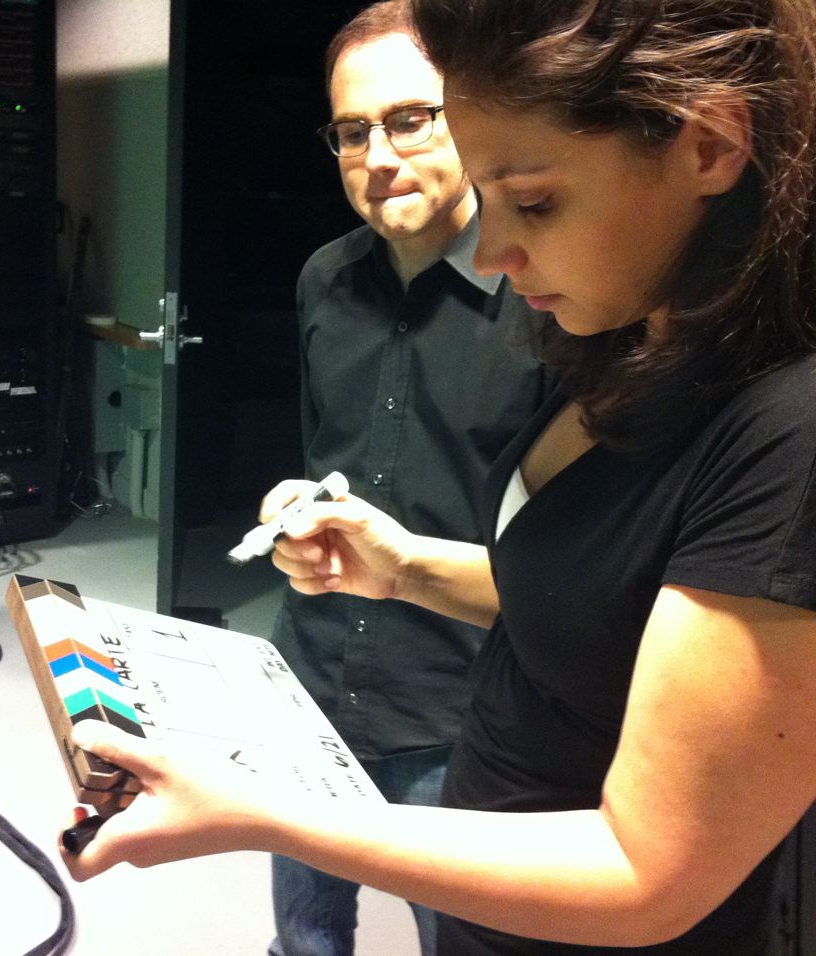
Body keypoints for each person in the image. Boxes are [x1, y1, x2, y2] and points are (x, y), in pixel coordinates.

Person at [59, 2, 816, 954]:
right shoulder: (620, 344)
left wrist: (261, 811)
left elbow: (645, 874)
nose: (491, 251)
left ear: (710, 145)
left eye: (533, 199)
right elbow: (583, 612)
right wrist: (399, 567)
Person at [267, 4, 552, 955]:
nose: (379, 154)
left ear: (466, 113)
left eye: (409, 118)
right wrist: (291, 509)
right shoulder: (321, 281)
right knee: (306, 944)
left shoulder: (550, 292)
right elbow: (327, 458)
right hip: (308, 687)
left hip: (459, 711)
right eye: (353, 132)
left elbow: (576, 565)